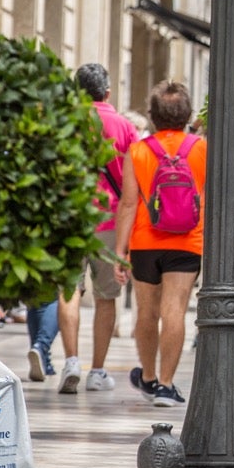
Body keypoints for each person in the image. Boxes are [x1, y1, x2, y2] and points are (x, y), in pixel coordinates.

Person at [113, 81, 206, 408]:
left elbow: (127, 203)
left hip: (145, 240)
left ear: (152, 116)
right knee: (175, 310)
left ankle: (149, 378)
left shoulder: (138, 151)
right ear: (187, 114)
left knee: (147, 311)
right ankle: (167, 385)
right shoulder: (200, 149)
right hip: (188, 240)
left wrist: (120, 251)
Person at [53, 63, 139, 394]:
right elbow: (133, 182)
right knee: (107, 298)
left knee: (69, 290)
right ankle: (97, 371)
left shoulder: (65, 122)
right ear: (107, 92)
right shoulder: (125, 127)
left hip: (72, 217)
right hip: (111, 220)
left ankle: (71, 362)